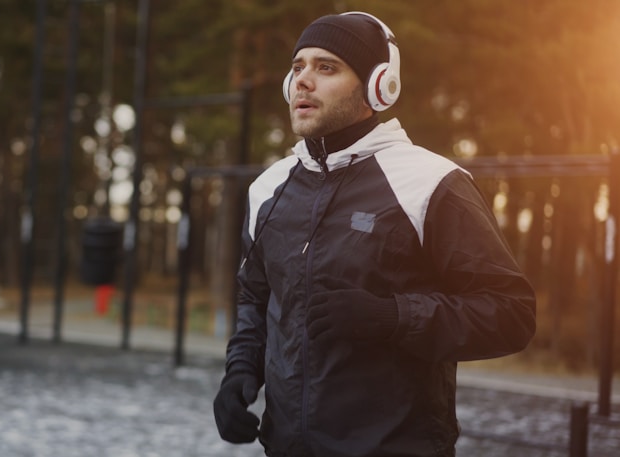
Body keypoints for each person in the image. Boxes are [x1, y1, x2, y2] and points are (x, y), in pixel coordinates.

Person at [212, 11, 536, 457]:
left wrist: (394, 317)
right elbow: (255, 297)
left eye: (326, 67)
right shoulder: (268, 188)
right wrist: (240, 372)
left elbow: (511, 314)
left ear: (377, 86)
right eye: (297, 67)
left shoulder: (431, 184)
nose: (303, 80)